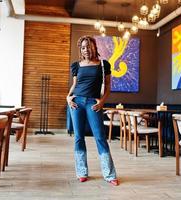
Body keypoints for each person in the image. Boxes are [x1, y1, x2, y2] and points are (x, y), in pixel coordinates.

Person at [66, 35, 119, 186]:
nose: (86, 50)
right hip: (76, 103)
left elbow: (108, 87)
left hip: (92, 103)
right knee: (78, 137)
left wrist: (102, 102)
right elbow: (74, 85)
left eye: (89, 46)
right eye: (83, 47)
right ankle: (82, 172)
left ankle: (110, 174)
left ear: (94, 47)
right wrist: (68, 98)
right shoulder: (76, 65)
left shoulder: (103, 64)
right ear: (81, 50)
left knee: (100, 137)